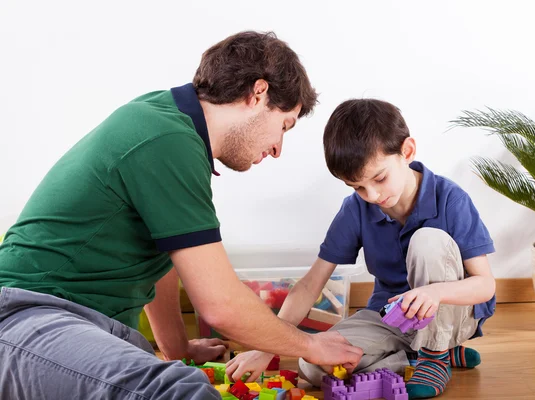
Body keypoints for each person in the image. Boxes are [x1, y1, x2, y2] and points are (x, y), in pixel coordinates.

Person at [0, 31, 363, 399]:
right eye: (284, 125)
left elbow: (166, 259)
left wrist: (177, 348)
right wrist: (311, 347)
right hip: (30, 316)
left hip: (83, 326)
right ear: (258, 94)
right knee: (180, 392)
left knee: (178, 377)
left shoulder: (172, 128)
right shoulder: (166, 139)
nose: (277, 148)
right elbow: (220, 305)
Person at [226, 99, 496, 399]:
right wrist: (268, 347)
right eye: (358, 187)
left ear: (406, 151)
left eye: (380, 178)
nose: (373, 195)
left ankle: (436, 352)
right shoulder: (356, 209)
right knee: (314, 365)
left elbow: (484, 285)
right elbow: (310, 285)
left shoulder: (450, 199)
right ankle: (421, 357)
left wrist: (434, 293)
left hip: (451, 313)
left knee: (427, 240)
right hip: (390, 318)